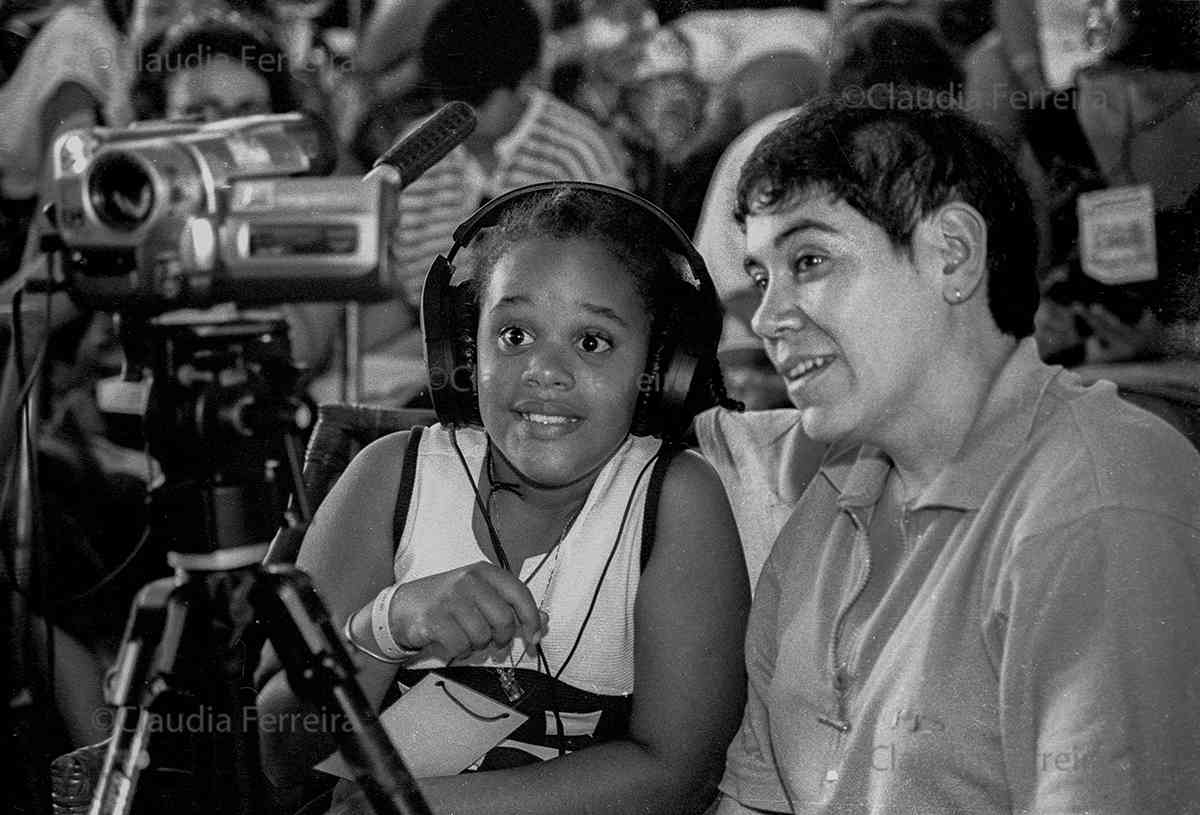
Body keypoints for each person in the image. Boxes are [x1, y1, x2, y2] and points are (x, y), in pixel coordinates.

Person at [710, 94, 1200, 814]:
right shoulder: (838, 495)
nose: (766, 317)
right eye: (760, 276)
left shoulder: (1103, 501)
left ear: (953, 253)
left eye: (808, 260)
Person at [257, 183, 750, 815]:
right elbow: (280, 757)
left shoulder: (676, 500)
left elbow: (678, 777)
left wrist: (420, 806)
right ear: (465, 351)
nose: (545, 371)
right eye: (515, 335)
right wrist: (383, 629)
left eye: (592, 341)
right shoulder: (387, 478)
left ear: (658, 370)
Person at [303, 0, 632, 407]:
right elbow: (404, 291)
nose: (464, 114)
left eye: (479, 99)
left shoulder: (578, 154)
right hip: (438, 345)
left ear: (526, 81)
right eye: (451, 98)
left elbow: (607, 286)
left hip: (547, 349)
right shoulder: (418, 150)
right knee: (331, 397)